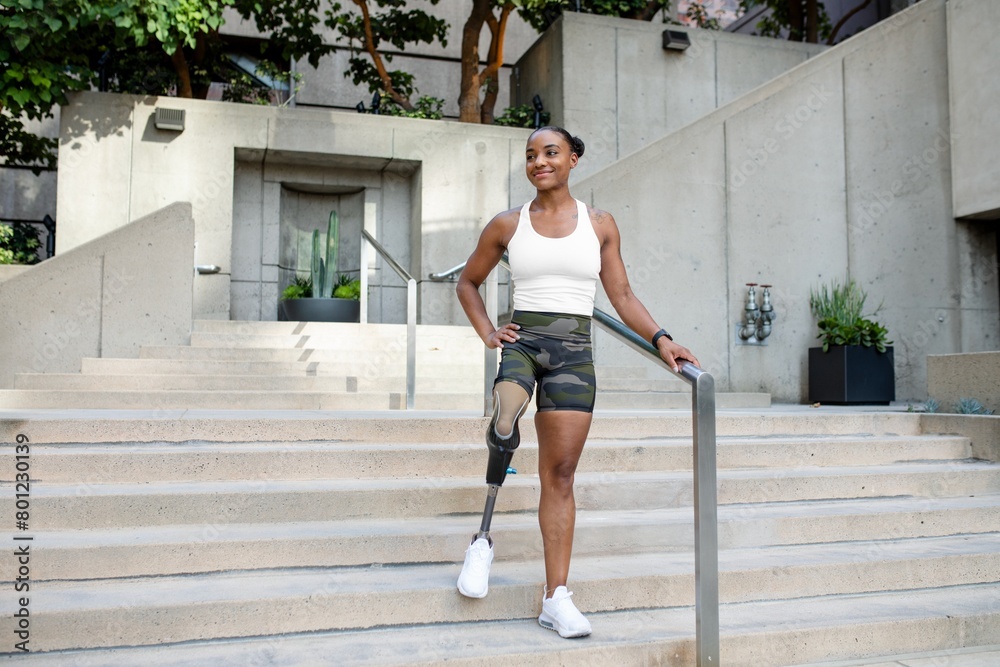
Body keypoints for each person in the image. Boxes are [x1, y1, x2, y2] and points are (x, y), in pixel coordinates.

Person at [454, 126, 699, 638]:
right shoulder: (506, 224)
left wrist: (661, 338)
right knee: (507, 411)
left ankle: (555, 598)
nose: (539, 162)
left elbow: (623, 294)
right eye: (530, 155)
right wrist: (487, 333)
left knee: (560, 475)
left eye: (550, 153)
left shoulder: (600, 224)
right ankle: (492, 489)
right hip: (523, 344)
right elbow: (468, 282)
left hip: (574, 355)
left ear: (573, 160)